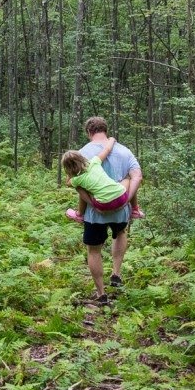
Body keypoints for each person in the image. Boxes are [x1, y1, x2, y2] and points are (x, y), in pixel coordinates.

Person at [74, 116, 144, 304]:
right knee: (120, 232)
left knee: (94, 250)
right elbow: (137, 176)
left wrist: (93, 203)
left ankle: (101, 293)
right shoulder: (124, 150)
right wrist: (125, 201)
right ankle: (116, 273)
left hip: (93, 212)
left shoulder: (81, 154)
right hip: (120, 210)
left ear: (89, 132)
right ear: (105, 130)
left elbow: (78, 185)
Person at [61, 138, 131, 222]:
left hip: (103, 206)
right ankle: (135, 209)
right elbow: (107, 149)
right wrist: (112, 140)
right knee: (127, 179)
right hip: (121, 198)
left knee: (78, 187)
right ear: (81, 157)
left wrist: (70, 172)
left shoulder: (77, 179)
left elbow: (67, 183)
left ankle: (80, 214)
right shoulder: (94, 162)